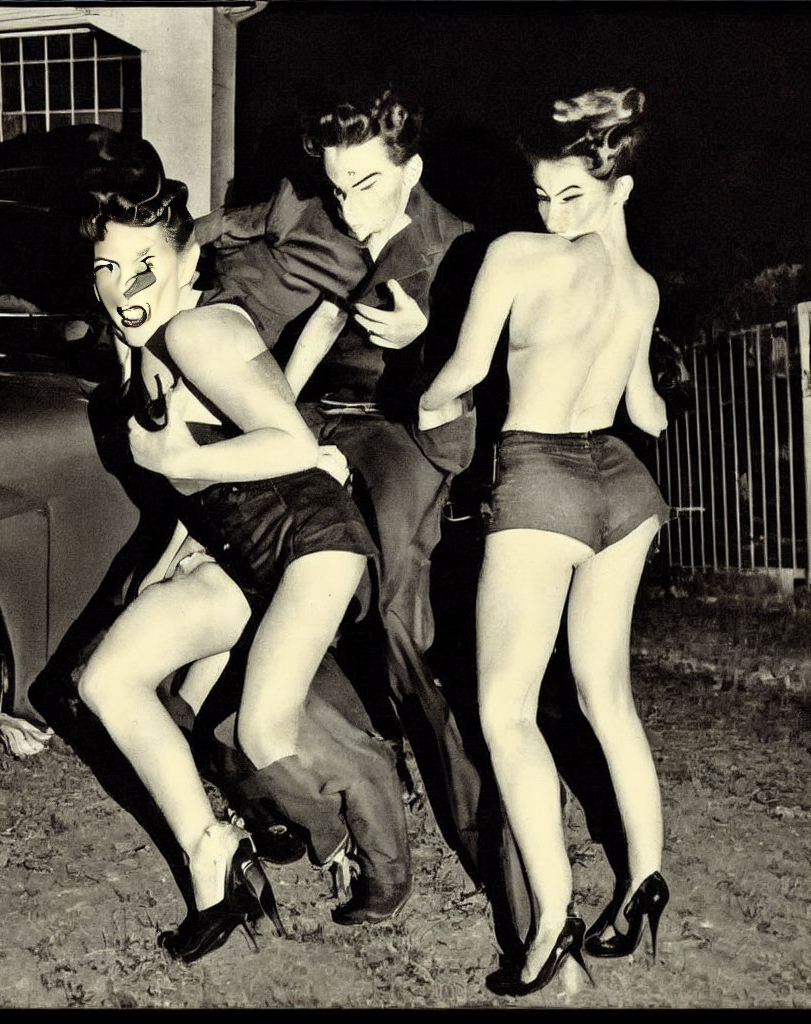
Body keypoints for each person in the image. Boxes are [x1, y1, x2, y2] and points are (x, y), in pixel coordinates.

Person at [75, 133, 380, 961]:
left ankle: (318, 835)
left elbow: (283, 440)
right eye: (104, 267)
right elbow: (205, 488)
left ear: (182, 262)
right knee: (111, 682)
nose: (119, 286)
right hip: (236, 554)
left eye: (140, 262)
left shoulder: (199, 330)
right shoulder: (147, 352)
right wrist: (174, 549)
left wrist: (183, 460)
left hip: (288, 549)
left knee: (225, 717)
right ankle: (220, 854)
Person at [196, 83, 486, 882]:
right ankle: (306, 775)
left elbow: (485, 379)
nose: (351, 207)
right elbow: (236, 227)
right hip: (321, 419)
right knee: (263, 571)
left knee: (397, 611)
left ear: (411, 168)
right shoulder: (312, 209)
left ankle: (477, 824)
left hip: (403, 430)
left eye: (368, 184)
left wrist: (430, 340)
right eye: (337, 185)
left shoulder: (459, 248)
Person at [419, 86, 671, 996]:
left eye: (575, 195)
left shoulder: (516, 255)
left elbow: (463, 372)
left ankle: (551, 924)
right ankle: (644, 879)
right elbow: (648, 412)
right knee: (607, 695)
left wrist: (424, 399)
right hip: (625, 493)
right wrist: (616, 246)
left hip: (541, 482)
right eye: (544, 196)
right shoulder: (637, 286)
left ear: (616, 187)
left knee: (506, 714)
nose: (554, 212)